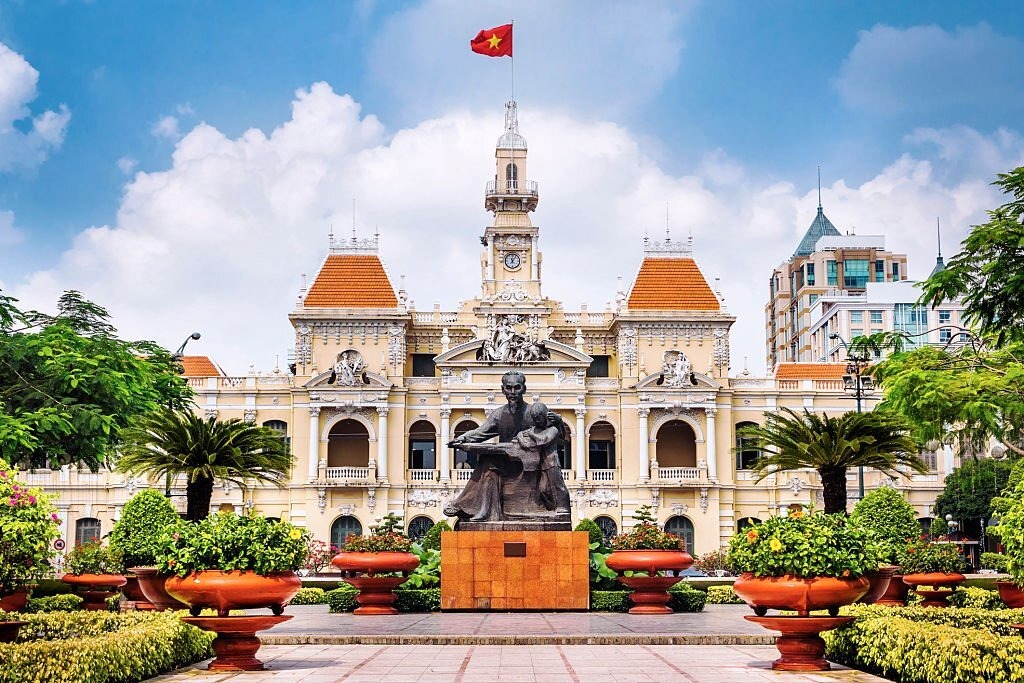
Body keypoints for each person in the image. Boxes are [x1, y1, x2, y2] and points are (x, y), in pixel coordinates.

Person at [443, 370, 565, 523]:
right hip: (507, 461)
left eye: (517, 387)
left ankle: (469, 507)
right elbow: (481, 432)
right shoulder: (498, 414)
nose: (513, 392)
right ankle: (480, 510)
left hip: (531, 464)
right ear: (503, 390)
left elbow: (557, 436)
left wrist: (558, 422)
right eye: (509, 388)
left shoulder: (533, 412)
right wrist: (462, 438)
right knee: (487, 461)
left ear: (524, 389)